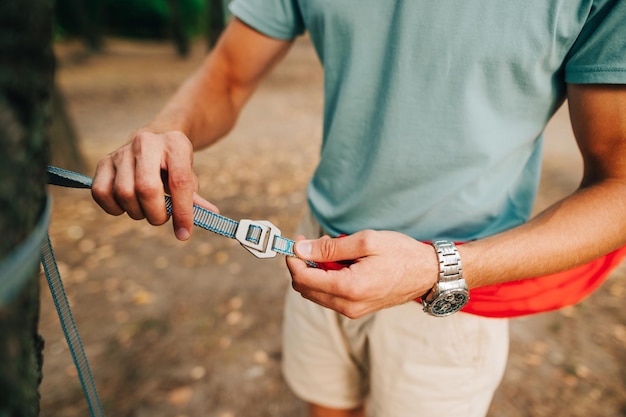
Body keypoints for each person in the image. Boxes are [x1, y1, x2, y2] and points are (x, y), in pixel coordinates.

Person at [91, 1, 626, 416]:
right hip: (312, 250)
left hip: (452, 290)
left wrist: (437, 268)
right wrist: (165, 131)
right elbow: (228, 73)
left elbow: (618, 185)